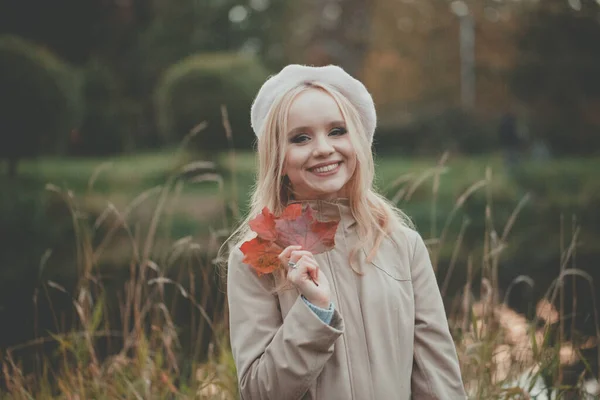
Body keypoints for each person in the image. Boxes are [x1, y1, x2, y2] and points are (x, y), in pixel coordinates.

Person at [224, 64, 466, 399]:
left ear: (359, 141)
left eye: (337, 131)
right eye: (301, 138)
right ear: (277, 157)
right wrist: (314, 310)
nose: (323, 148)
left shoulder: (400, 245)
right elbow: (260, 392)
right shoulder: (256, 258)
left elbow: (436, 377)